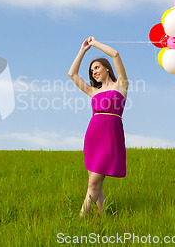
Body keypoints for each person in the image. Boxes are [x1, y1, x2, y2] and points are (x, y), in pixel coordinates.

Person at [67, 36, 128, 218]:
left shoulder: (121, 86)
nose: (93, 72)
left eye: (97, 67)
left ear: (107, 68)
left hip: (111, 136)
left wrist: (95, 44)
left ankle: (80, 219)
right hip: (93, 135)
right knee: (94, 183)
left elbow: (116, 54)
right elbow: (72, 74)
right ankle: (104, 217)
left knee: (93, 184)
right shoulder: (93, 91)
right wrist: (83, 50)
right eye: (91, 70)